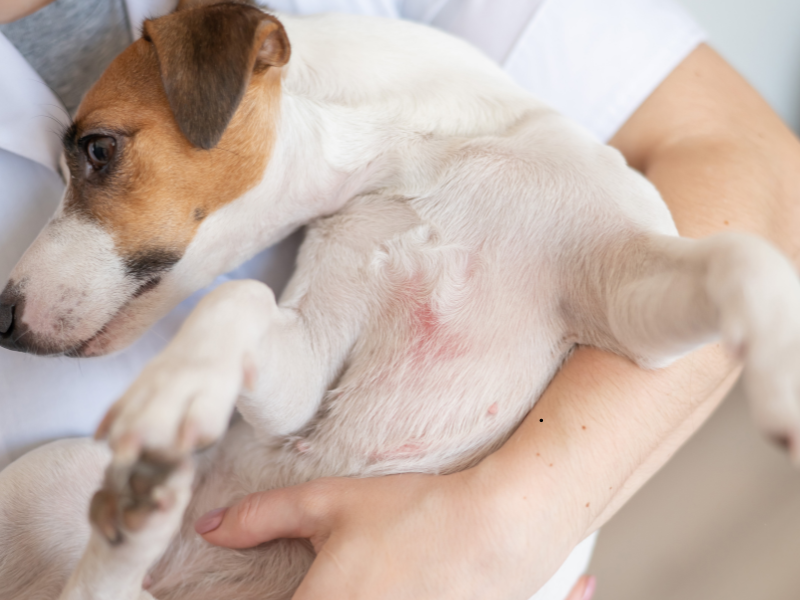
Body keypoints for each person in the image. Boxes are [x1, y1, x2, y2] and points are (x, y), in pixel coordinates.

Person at [1, 1, 799, 599]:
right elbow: (292, 393)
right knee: (50, 489)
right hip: (182, 547)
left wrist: (505, 525)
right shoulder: (356, 211)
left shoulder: (542, 172)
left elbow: (739, 173)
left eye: (102, 156)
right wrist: (229, 330)